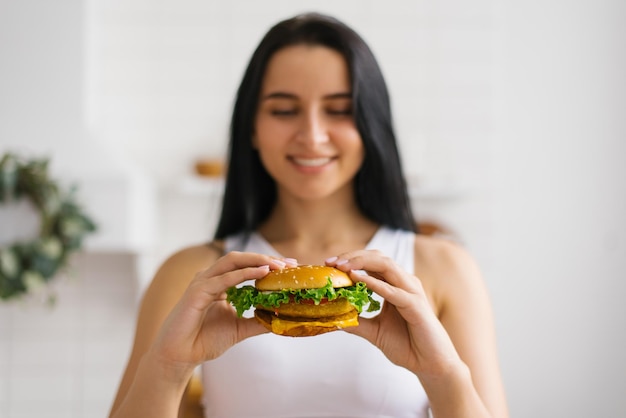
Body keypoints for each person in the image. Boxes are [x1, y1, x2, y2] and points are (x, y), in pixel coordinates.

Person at [109, 12, 509, 418]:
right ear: (252, 127)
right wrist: (167, 368)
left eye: (339, 110)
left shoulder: (444, 268)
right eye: (284, 111)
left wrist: (442, 375)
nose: (312, 135)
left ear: (372, 123)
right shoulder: (193, 275)